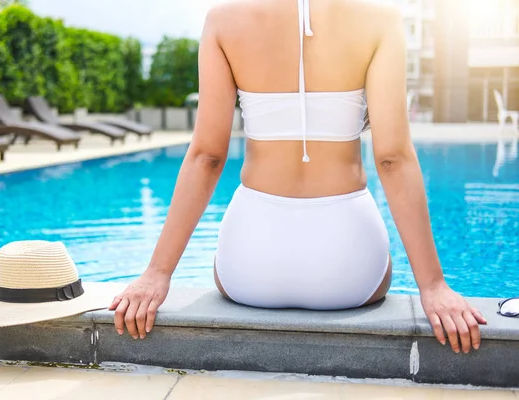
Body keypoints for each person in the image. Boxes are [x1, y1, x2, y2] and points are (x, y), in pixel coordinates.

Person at [110, 0, 487, 354]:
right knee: (381, 260)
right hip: (348, 269)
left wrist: (156, 274)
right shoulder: (378, 18)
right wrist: (434, 287)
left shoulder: (224, 19)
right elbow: (393, 158)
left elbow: (206, 157)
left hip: (249, 265)